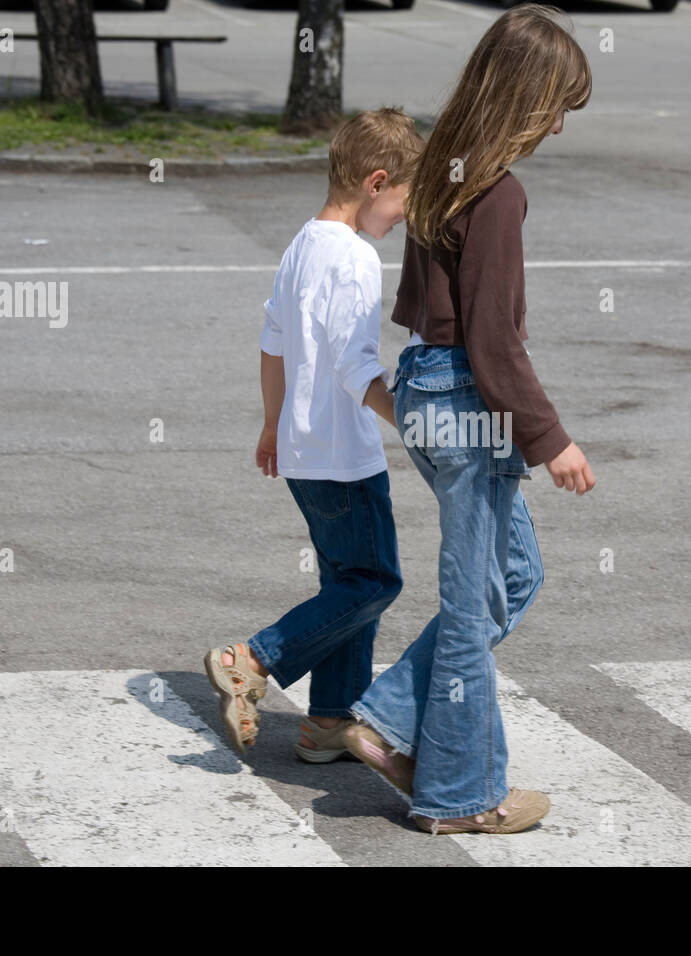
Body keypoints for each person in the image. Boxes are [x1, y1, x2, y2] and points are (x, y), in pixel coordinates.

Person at [343, 6, 597, 835]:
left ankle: (388, 720)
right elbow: (491, 340)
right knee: (471, 599)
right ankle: (461, 792)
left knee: (506, 582)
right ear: (524, 97)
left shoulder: (445, 170)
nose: (560, 125)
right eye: (558, 104)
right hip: (466, 402)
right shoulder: (498, 193)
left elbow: (422, 307)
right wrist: (549, 439)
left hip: (425, 382)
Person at [205, 108, 424, 763]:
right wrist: (412, 425)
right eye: (404, 203)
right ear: (375, 182)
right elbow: (359, 366)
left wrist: (272, 423)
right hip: (344, 457)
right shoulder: (354, 258)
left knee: (346, 588)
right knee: (375, 583)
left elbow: (272, 344)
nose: (405, 219)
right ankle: (253, 660)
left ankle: (328, 720)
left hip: (303, 451)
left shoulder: (302, 244)